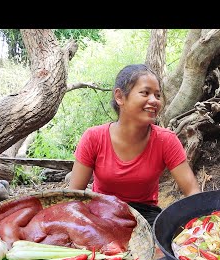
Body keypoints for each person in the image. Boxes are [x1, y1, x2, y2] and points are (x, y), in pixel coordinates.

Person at [69, 64, 200, 226]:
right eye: (145, 93)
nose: (154, 101)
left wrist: (200, 227)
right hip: (101, 213)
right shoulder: (93, 138)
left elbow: (192, 191)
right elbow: (73, 196)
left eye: (157, 95)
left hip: (145, 217)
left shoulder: (166, 140)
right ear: (120, 97)